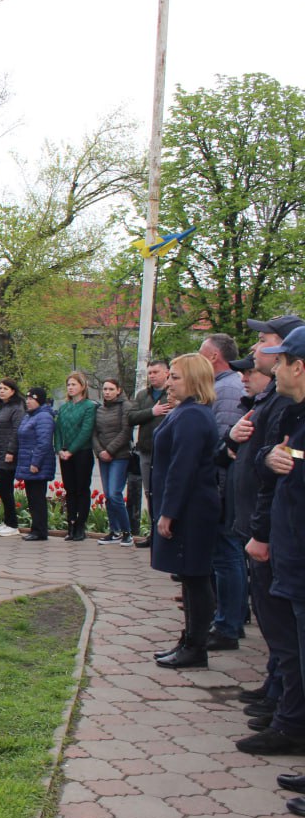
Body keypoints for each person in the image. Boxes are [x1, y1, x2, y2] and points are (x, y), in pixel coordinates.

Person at [242, 325, 305, 762]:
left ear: (298, 367)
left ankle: (290, 722)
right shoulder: (294, 414)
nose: (272, 365)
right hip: (288, 551)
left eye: (280, 360)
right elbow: (272, 474)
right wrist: (267, 458)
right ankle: (290, 719)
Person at [149, 353, 221, 670]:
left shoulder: (192, 416)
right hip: (190, 506)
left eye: (175, 377)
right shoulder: (187, 412)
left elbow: (183, 467)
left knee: (195, 575)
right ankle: (190, 640)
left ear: (193, 380)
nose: (169, 382)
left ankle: (196, 646)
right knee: (190, 578)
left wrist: (169, 512)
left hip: (192, 509)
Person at [201, 333, 251, 652]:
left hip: (223, 487)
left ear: (215, 357)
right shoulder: (223, 386)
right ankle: (227, 617)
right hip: (220, 484)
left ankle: (229, 623)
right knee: (223, 555)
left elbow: (224, 446)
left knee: (228, 555)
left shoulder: (229, 389)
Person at [129, 359, 173, 548]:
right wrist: (152, 412)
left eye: (156, 372)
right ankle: (153, 533)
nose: (152, 376)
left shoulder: (171, 394)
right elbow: (131, 417)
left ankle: (167, 533)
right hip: (146, 450)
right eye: (150, 372)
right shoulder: (142, 395)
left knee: (166, 491)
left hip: (167, 452)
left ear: (166, 373)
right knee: (150, 492)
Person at [55, 371, 97, 542]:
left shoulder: (89, 406)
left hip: (82, 453)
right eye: (69, 385)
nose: (70, 388)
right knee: (70, 490)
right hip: (65, 454)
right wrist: (59, 449)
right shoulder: (64, 407)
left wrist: (72, 450)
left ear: (82, 386)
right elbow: (57, 430)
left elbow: (86, 431)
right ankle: (71, 524)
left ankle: (81, 526)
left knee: (82, 489)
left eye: (74, 384)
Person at [93, 378, 134, 546]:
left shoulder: (126, 407)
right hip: (103, 456)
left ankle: (127, 532)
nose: (107, 392)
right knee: (108, 495)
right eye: (105, 389)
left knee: (114, 494)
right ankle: (114, 530)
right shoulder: (100, 408)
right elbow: (94, 432)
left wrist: (109, 450)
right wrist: (100, 451)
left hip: (119, 456)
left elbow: (126, 432)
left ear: (118, 390)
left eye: (111, 389)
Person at [17, 389, 56, 541]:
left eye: (31, 399)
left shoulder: (44, 417)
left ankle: (40, 530)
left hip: (37, 465)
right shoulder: (29, 416)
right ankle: (35, 529)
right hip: (28, 462)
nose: (28, 401)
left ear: (39, 400)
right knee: (32, 498)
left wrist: (35, 462)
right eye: (27, 398)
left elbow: (44, 442)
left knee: (37, 498)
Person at [0, 379, 24, 537]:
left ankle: (13, 524)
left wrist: (11, 451)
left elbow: (17, 430)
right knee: (2, 489)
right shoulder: (2, 408)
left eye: (5, 388)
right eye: (0, 388)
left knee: (6, 489)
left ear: (13, 391)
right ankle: (7, 521)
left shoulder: (17, 408)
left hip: (7, 454)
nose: (1, 391)